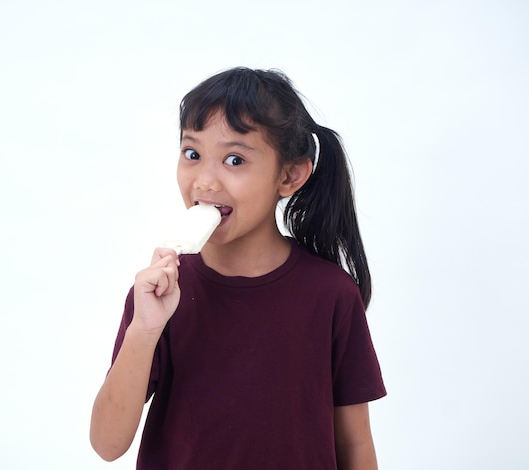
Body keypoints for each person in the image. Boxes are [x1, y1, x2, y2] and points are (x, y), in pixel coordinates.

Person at [90, 67, 386, 469]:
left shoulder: (331, 294)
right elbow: (107, 445)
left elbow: (355, 444)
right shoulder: (158, 297)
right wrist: (144, 331)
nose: (205, 181)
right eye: (192, 154)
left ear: (290, 175)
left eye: (234, 159)